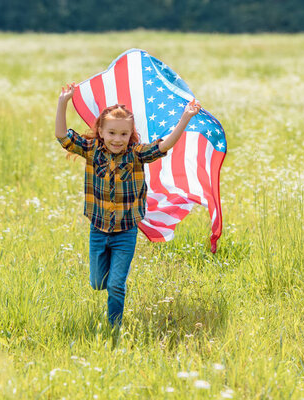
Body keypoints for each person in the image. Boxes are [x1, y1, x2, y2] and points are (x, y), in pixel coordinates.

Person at [55, 82, 201, 328]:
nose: (117, 139)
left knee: (115, 285)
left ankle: (114, 327)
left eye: (123, 134)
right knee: (98, 283)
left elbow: (163, 146)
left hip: (126, 232)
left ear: (130, 134)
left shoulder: (135, 154)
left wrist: (185, 118)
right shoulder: (91, 150)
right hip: (98, 229)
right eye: (111, 133)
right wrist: (63, 102)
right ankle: (107, 282)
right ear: (101, 131)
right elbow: (62, 136)